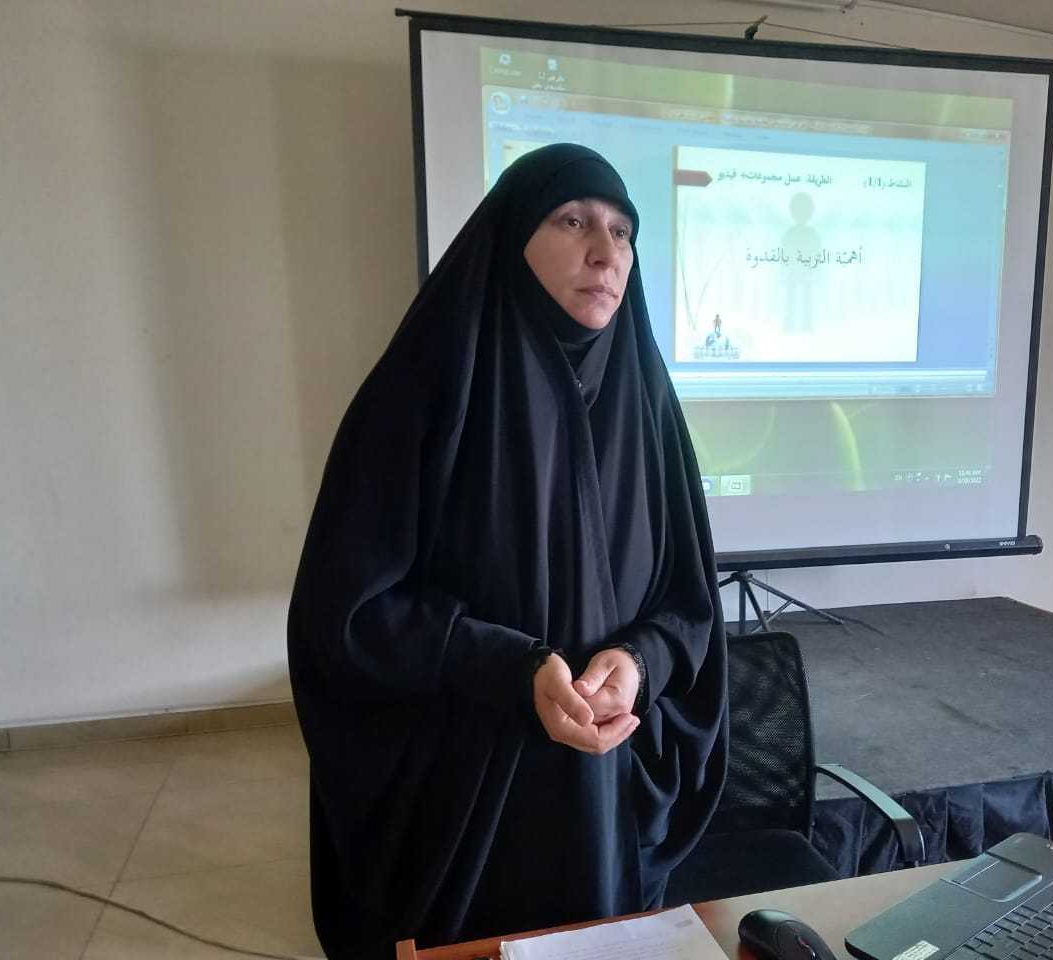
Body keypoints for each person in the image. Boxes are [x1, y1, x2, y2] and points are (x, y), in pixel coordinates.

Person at [287, 143, 728, 957]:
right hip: (467, 814)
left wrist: (640, 662)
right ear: (512, 238)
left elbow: (690, 605)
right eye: (573, 221)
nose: (605, 252)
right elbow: (348, 613)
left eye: (622, 232)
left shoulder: (650, 407)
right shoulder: (425, 388)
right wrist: (507, 667)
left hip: (612, 797)